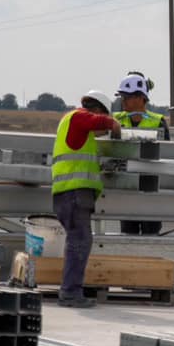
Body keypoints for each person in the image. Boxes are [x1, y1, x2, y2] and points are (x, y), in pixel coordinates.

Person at [50, 90, 121, 308]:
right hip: (74, 193)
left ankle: (70, 290)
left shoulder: (73, 125)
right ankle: (70, 293)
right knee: (79, 242)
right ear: (97, 109)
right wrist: (114, 125)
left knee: (78, 241)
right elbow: (100, 121)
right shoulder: (79, 117)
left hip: (69, 193)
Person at [113, 72, 166, 237]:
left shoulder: (158, 121)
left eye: (126, 97)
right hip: (126, 186)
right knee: (128, 235)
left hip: (150, 186)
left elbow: (166, 153)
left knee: (151, 236)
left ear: (140, 98)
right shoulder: (116, 120)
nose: (122, 101)